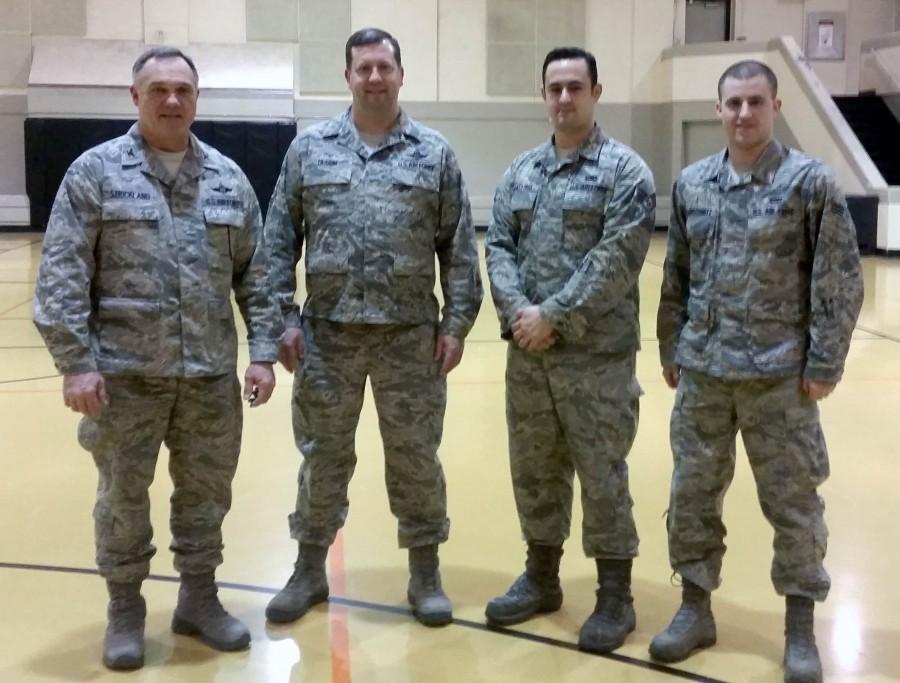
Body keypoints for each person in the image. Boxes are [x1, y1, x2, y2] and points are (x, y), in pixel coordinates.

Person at [32, 47, 282, 670]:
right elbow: (62, 272)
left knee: (206, 494)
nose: (172, 100)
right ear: (134, 96)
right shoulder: (95, 174)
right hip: (123, 378)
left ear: (197, 99)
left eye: (183, 90)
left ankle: (199, 600)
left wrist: (264, 353)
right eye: (159, 90)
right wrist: (75, 362)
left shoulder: (227, 177)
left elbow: (258, 275)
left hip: (207, 377)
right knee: (123, 495)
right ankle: (125, 610)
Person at [263, 27, 483, 628]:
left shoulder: (432, 153)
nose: (375, 78)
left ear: (401, 75)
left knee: (415, 456)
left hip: (409, 337)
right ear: (348, 77)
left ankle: (424, 573)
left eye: (385, 67)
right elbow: (277, 242)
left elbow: (458, 248)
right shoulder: (310, 151)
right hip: (326, 337)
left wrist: (457, 323)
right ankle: (309, 569)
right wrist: (282, 318)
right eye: (364, 68)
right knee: (322, 456)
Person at [652, 60, 864, 683]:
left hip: (780, 378)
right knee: (691, 496)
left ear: (774, 106)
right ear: (718, 110)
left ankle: (799, 629)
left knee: (794, 504)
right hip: (706, 376)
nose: (743, 114)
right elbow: (677, 276)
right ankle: (695, 610)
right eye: (733, 103)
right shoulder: (693, 183)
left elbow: (838, 278)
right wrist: (672, 345)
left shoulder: (809, 182)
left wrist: (825, 361)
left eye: (755, 102)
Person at [484, 47, 655, 654]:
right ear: (543, 93)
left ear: (595, 91)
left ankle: (615, 596)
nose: (564, 98)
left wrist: (552, 316)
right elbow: (497, 246)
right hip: (528, 359)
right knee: (535, 472)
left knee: (603, 476)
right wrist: (518, 315)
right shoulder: (520, 173)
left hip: (597, 362)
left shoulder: (626, 173)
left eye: (574, 87)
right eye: (554, 87)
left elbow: (616, 261)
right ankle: (542, 577)